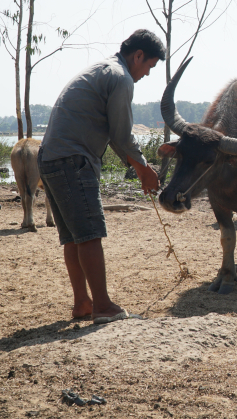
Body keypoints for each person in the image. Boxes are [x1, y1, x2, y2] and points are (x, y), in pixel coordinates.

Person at [38, 29, 165, 324]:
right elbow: (121, 136)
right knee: (90, 234)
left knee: (74, 236)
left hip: (50, 157)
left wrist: (138, 166)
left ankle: (83, 302)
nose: (147, 73)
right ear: (138, 56)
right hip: (73, 160)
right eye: (149, 66)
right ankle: (103, 306)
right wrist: (144, 169)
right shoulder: (120, 78)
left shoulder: (102, 70)